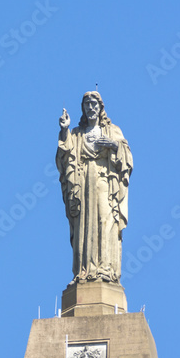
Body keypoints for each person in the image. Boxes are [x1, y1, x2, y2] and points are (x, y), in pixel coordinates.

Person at [56, 91, 132, 284]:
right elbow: (65, 156)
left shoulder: (112, 130)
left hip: (105, 182)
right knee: (84, 225)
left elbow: (128, 159)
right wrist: (64, 130)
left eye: (94, 104)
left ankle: (105, 269)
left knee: (106, 221)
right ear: (83, 108)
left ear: (100, 107)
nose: (90, 107)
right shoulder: (77, 134)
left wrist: (114, 146)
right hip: (83, 183)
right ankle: (84, 270)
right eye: (87, 104)